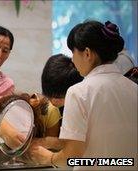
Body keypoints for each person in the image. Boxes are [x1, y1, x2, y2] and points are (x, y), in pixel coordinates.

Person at [29, 20, 137, 170]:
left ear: (87, 53)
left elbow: (72, 157)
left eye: (73, 52)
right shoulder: (133, 88)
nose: (72, 59)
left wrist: (49, 158)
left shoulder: (79, 92)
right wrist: (53, 142)